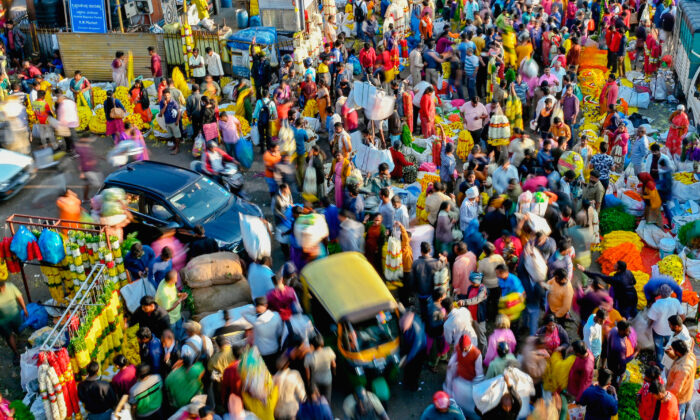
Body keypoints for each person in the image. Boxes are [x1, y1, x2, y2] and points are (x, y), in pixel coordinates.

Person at [647, 284, 684, 366]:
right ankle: (669, 362)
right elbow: (682, 316)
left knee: (659, 348)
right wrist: (678, 327)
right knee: (669, 346)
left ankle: (660, 365)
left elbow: (651, 320)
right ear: (671, 292)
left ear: (660, 293)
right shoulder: (676, 302)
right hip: (671, 330)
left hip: (658, 330)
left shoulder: (656, 304)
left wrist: (648, 327)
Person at [602, 320, 637, 389]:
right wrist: (635, 353)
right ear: (621, 331)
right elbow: (623, 362)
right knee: (614, 379)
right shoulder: (620, 346)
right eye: (627, 330)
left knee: (610, 372)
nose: (629, 332)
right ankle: (613, 388)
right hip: (616, 366)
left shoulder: (614, 330)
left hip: (610, 357)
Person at [666, 340, 696, 418]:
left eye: (674, 350)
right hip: (686, 392)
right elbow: (679, 358)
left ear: (677, 352)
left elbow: (676, 390)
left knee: (676, 414)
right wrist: (670, 354)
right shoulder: (690, 355)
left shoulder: (682, 369)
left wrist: (665, 396)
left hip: (678, 398)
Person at [0, 279, 28, 364]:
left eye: (2, 288)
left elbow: (19, 297)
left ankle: (20, 342)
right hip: (2, 321)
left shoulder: (10, 286)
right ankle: (16, 353)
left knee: (19, 330)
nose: (1, 290)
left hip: (15, 316)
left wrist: (24, 308)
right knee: (9, 336)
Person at [155, 270, 187, 338]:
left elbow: (173, 292)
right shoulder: (163, 294)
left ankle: (180, 338)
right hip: (171, 319)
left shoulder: (168, 282)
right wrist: (180, 299)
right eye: (176, 279)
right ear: (171, 280)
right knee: (174, 334)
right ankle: (176, 343)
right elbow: (168, 309)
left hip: (177, 314)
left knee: (180, 328)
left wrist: (180, 294)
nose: (177, 280)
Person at [304, 334, 336, 403]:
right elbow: (333, 365)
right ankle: (327, 410)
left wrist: (309, 384)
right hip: (327, 380)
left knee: (317, 400)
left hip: (316, 381)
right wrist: (334, 373)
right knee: (327, 400)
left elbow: (308, 375)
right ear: (322, 343)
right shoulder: (329, 350)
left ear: (312, 345)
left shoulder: (308, 357)